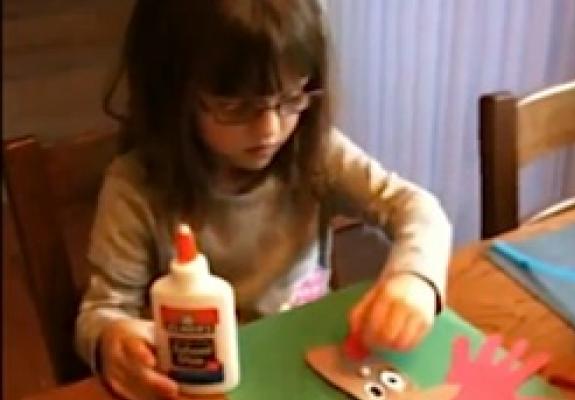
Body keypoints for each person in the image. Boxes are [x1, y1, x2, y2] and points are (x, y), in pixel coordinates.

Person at [76, 1, 452, 399]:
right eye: (235, 107)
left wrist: (415, 278)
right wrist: (110, 341)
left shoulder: (315, 153)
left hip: (306, 362)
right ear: (171, 95)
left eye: (292, 97)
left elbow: (416, 207)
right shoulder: (135, 188)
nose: (271, 130)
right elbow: (101, 311)